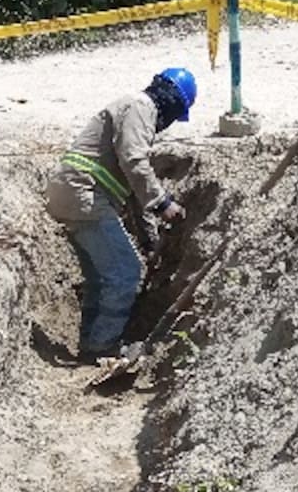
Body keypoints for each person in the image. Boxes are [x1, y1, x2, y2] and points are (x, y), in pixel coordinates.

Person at [44, 67, 196, 362]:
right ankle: (103, 345)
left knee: (100, 278)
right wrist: (163, 203)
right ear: (173, 102)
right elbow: (134, 161)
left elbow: (132, 191)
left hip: (71, 192)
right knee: (126, 273)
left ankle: (91, 342)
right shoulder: (141, 107)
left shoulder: (132, 111)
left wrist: (149, 240)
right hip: (84, 193)